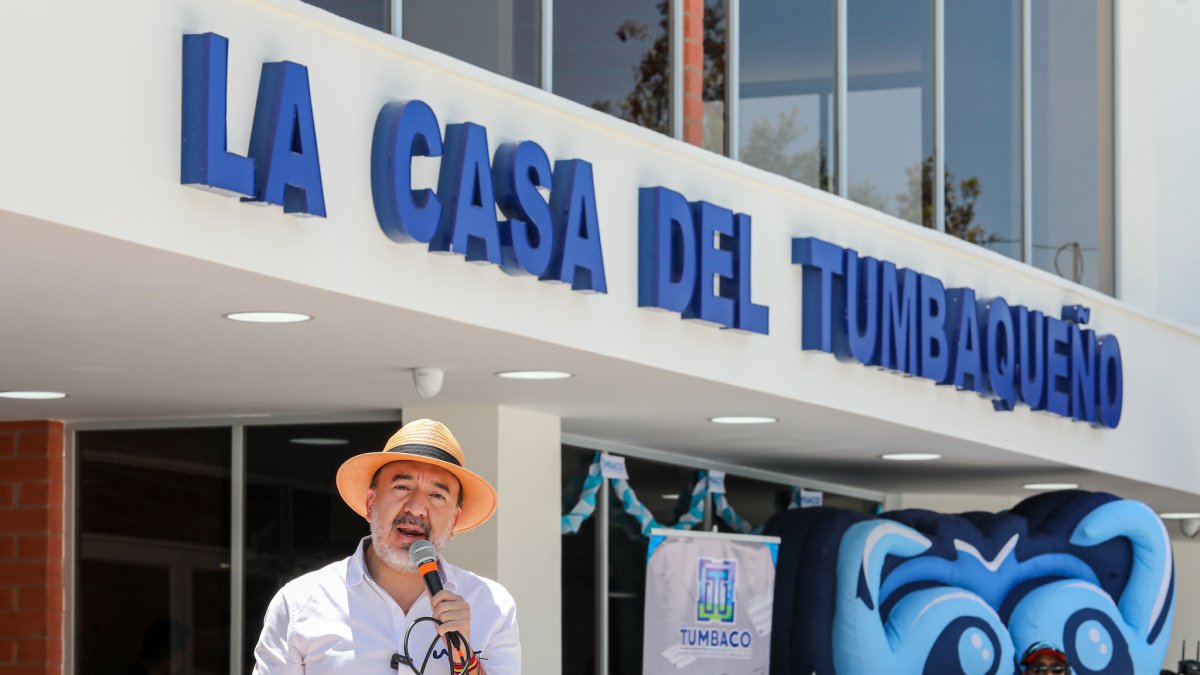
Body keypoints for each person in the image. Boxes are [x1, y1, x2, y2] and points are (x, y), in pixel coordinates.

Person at [252, 419, 520, 674]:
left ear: (455, 520)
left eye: (437, 495)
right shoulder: (300, 603)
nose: (416, 508)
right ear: (370, 503)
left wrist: (464, 654)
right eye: (402, 487)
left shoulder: (491, 605)